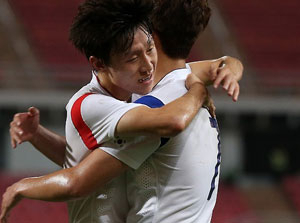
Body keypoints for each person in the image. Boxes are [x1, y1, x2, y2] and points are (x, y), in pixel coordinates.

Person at [1, 0, 243, 222]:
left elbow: (80, 177)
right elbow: (81, 170)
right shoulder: (174, 90)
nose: (147, 65)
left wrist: (228, 69)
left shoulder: (156, 102)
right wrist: (201, 90)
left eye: (148, 50)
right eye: (133, 57)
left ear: (150, 35)